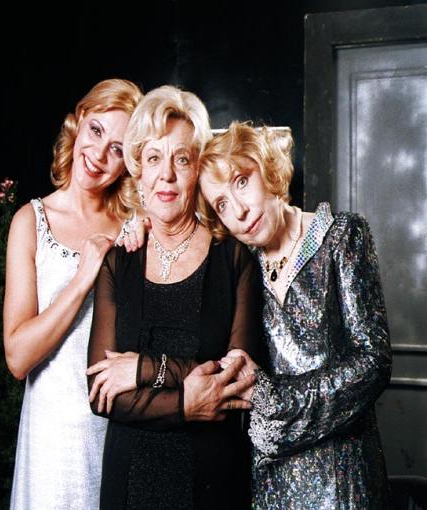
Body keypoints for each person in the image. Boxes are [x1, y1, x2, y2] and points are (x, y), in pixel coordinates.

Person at [197, 121, 392, 508]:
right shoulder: (240, 266)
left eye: (241, 181)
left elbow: (373, 361)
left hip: (343, 479)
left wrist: (275, 401)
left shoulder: (340, 236)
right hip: (272, 484)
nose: (239, 210)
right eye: (221, 204)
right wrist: (136, 222)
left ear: (266, 167)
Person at [86, 85, 262, 510]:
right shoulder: (117, 263)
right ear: (137, 170)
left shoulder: (234, 259)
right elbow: (101, 391)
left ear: (197, 167)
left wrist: (143, 368)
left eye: (181, 159)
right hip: (130, 483)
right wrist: (185, 404)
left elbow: (236, 380)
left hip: (213, 482)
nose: (166, 175)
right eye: (153, 158)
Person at [3, 78, 143, 509]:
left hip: (118, 433)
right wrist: (83, 278)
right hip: (51, 443)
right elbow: (18, 357)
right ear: (79, 120)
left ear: (130, 162)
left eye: (117, 148)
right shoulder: (31, 221)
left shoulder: (137, 227)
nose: (99, 155)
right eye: (96, 130)